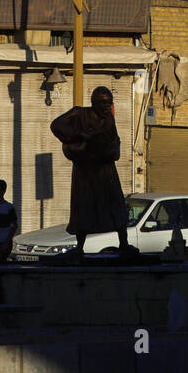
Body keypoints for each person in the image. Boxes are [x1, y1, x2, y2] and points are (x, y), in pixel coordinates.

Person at [51, 86, 132, 263]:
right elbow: (56, 125)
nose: (107, 107)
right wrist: (79, 135)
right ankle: (79, 247)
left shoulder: (109, 119)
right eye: (103, 103)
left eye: (109, 103)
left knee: (115, 204)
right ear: (93, 103)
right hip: (85, 170)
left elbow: (114, 140)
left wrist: (114, 150)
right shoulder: (79, 113)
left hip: (105, 168)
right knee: (83, 207)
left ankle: (124, 243)